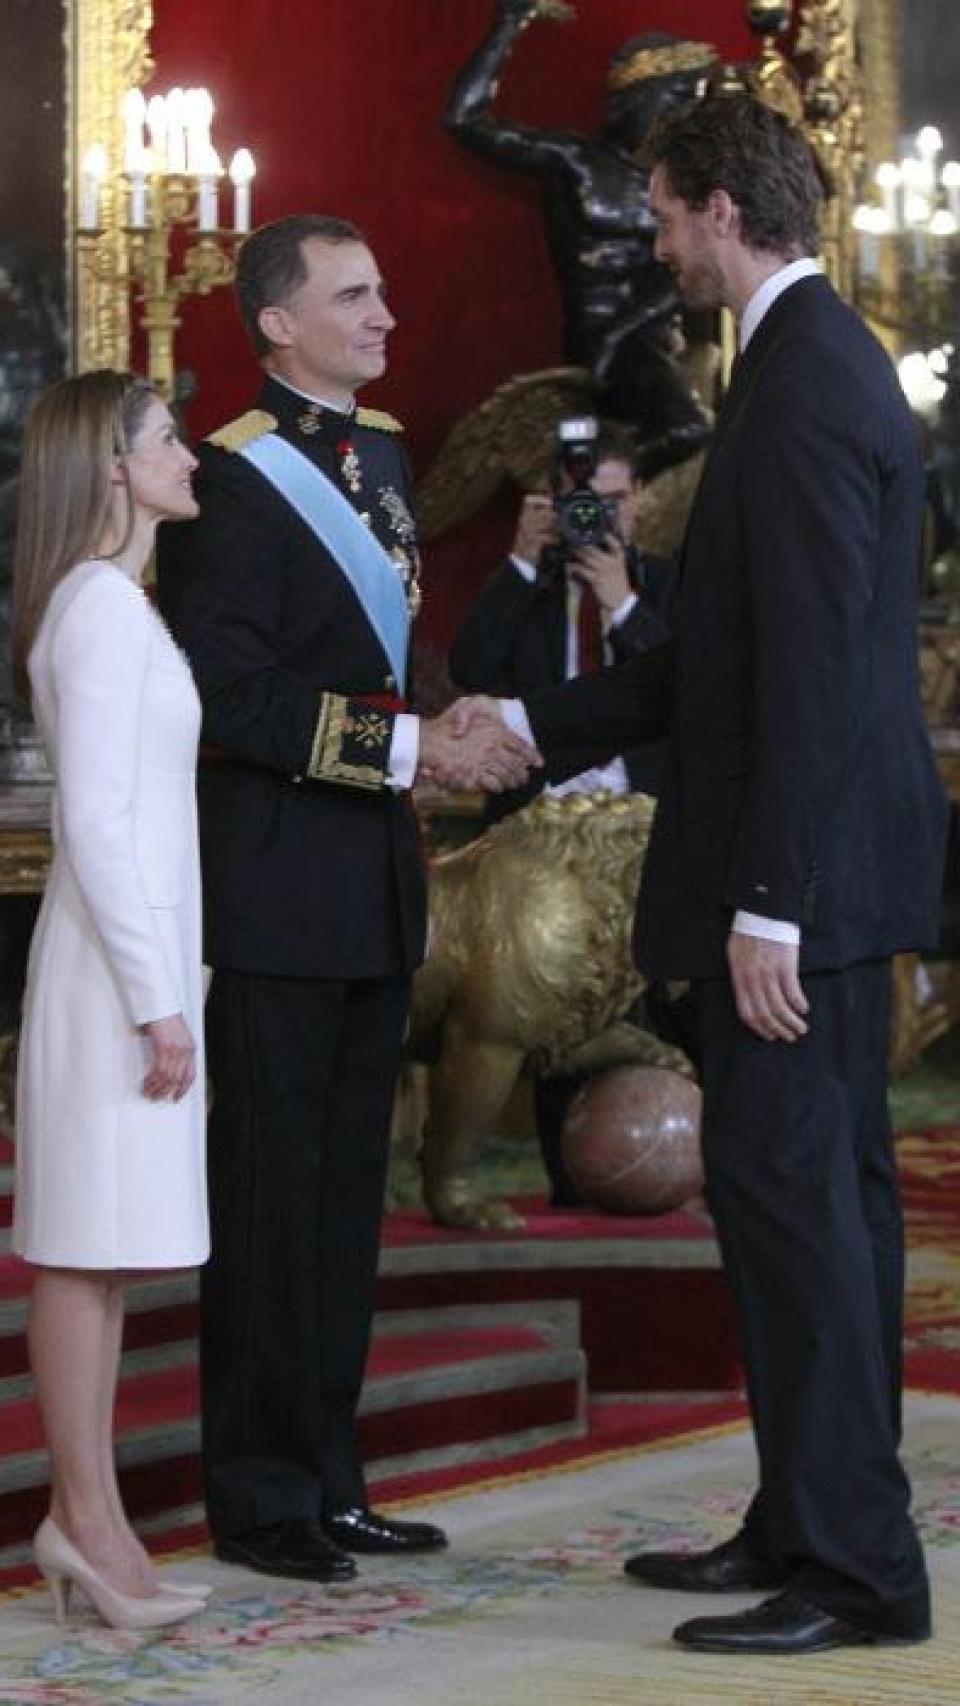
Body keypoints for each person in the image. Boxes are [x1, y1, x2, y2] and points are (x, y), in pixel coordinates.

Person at [456, 94, 949, 1655]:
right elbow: (734, 656)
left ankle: (858, 1570)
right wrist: (532, 710)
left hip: (794, 884)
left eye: (663, 212)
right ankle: (809, 1517)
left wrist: (770, 906)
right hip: (818, 866)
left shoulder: (803, 383)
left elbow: (804, 677)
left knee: (802, 1216)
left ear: (723, 209)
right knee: (823, 1216)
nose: (653, 241)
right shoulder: (806, 366)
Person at [156, 214, 538, 1585]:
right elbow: (229, 695)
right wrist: (403, 749)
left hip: (371, 881)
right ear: (276, 322)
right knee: (268, 1203)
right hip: (270, 885)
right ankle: (260, 1498)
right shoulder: (228, 475)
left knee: (342, 1207)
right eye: (353, 295)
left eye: (381, 290)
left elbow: (377, 660)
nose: (386, 315)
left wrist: (454, 721)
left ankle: (332, 1473)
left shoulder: (376, 451)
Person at [10, 371, 210, 1630]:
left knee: (104, 1253)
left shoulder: (117, 607)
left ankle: (99, 1521)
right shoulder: (96, 611)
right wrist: (155, 999)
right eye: (168, 438)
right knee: (81, 1252)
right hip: (109, 985)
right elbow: (93, 821)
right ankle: (82, 1520)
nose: (189, 453)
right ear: (115, 468)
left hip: (133, 976)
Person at [449, 419, 674, 1204]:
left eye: (611, 503)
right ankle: (568, 1185)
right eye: (582, 505)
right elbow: (470, 667)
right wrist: (518, 555)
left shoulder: (671, 585)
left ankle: (672, 1169)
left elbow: (694, 689)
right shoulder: (527, 592)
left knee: (654, 1013)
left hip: (648, 832)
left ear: (639, 500)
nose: (599, 521)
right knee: (547, 1018)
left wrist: (621, 605)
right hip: (536, 843)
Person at [446, 2, 717, 471]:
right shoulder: (575, 161)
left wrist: (620, 338)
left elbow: (688, 279)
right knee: (670, 433)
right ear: (641, 98)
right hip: (590, 341)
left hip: (646, 343)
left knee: (690, 432)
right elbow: (465, 120)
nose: (687, 116)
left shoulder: (688, 183)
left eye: (694, 103)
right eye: (677, 101)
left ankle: (611, 501)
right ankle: (598, 499)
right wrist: (511, 22)